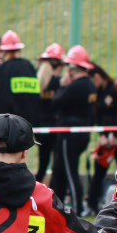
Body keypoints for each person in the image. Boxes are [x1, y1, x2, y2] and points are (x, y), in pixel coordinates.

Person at [50, 45, 97, 217]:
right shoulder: (90, 85)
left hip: (69, 134)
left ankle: (77, 208)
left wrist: (62, 86)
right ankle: (56, 207)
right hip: (81, 132)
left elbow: (56, 102)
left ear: (74, 69)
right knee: (60, 170)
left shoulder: (76, 86)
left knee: (69, 172)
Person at [85, 62, 117, 214]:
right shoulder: (97, 93)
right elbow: (97, 115)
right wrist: (102, 135)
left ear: (97, 77)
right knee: (98, 173)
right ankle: (92, 205)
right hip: (105, 140)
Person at [0, 30, 40, 125]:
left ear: (4, 51)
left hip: (10, 124)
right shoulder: (29, 66)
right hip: (30, 123)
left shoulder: (2, 69)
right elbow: (35, 96)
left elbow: (1, 99)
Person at [35, 43, 65, 183]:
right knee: (57, 164)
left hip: (41, 127)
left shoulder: (37, 81)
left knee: (42, 164)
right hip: (55, 126)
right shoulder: (59, 83)